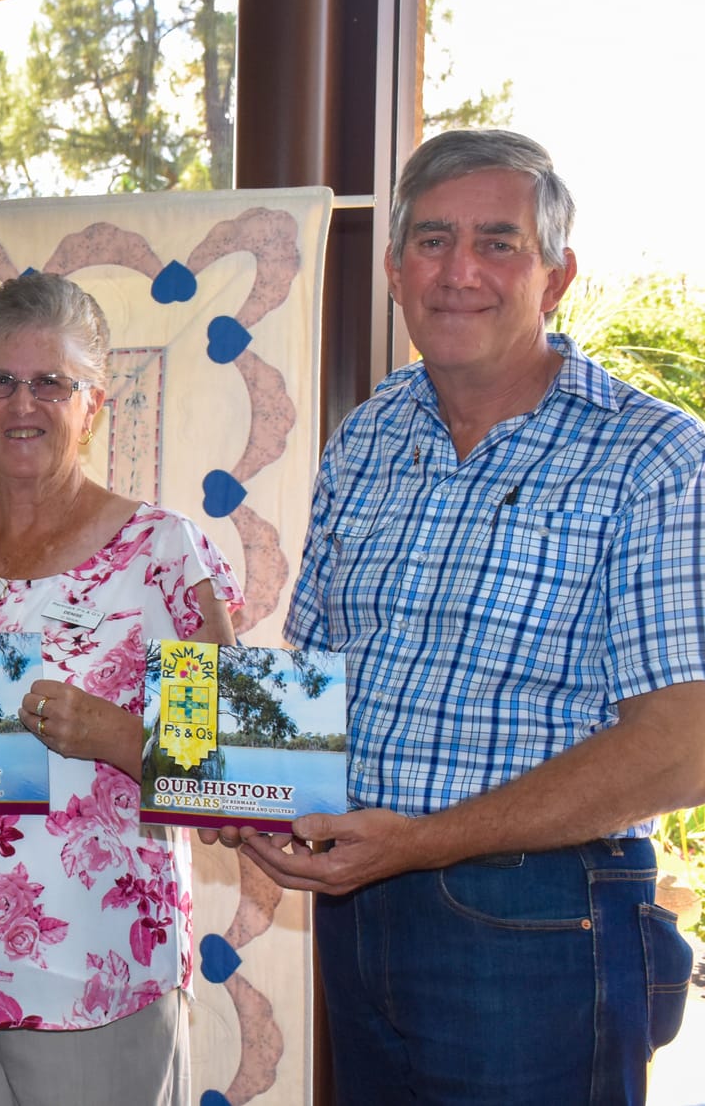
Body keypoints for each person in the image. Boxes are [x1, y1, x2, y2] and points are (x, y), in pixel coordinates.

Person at [218, 129, 704, 1104]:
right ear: (394, 270)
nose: (458, 271)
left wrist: (421, 840)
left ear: (555, 275)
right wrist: (249, 791)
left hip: (535, 922)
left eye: (497, 242)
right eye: (431, 240)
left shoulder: (652, 456)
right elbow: (316, 668)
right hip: (358, 904)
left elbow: (681, 743)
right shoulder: (368, 432)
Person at [0, 272, 240, 1106]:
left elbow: (231, 771)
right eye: (0, 380)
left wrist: (111, 733)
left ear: (92, 402)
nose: (22, 404)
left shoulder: (164, 554)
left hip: (92, 971)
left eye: (51, 382)